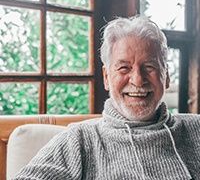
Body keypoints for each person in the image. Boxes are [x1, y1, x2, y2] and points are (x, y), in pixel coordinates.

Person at [12, 16, 200, 180]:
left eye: (149, 67)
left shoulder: (196, 129)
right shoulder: (78, 140)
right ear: (107, 77)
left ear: (166, 77)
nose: (137, 80)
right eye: (124, 67)